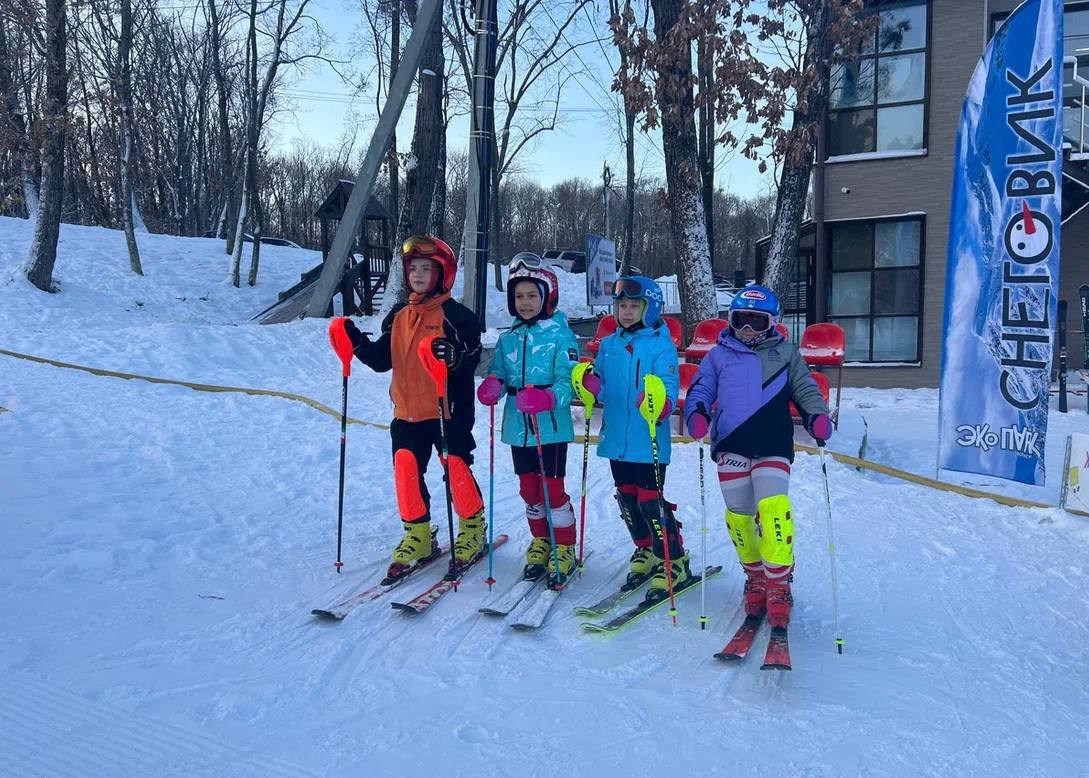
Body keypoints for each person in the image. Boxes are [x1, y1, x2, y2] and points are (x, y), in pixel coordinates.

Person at [683, 285, 832, 629]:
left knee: (774, 509)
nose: (748, 330)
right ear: (731, 321)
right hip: (732, 443)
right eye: (741, 321)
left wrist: (816, 415)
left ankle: (779, 584)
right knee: (740, 518)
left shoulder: (786, 353)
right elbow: (701, 388)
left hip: (772, 443)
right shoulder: (718, 355)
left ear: (772, 323)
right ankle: (757, 577)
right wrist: (698, 411)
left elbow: (805, 388)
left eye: (757, 322)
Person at [339, 235, 487, 580]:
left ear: (443, 274)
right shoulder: (398, 316)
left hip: (447, 412)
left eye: (426, 269)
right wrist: (355, 341)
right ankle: (418, 534)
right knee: (405, 469)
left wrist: (453, 358)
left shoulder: (458, 317)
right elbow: (381, 360)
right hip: (406, 412)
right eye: (413, 269)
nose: (418, 275)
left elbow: (470, 360)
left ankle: (472, 528)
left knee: (456, 467)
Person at [573, 276, 688, 602]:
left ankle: (673, 556)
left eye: (633, 306)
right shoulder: (608, 346)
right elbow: (604, 386)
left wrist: (662, 402)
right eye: (621, 305)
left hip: (647, 437)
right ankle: (645, 549)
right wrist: (592, 386)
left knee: (650, 501)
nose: (625, 311)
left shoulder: (662, 345)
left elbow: (668, 381)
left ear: (650, 309)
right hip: (616, 439)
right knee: (626, 498)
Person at [477, 253, 580, 586]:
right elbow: (499, 372)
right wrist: (495, 384)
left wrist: (549, 397)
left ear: (547, 296)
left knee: (552, 488)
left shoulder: (560, 335)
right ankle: (540, 539)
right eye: (518, 296)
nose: (525, 302)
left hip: (549, 426)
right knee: (528, 488)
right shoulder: (508, 337)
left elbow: (570, 380)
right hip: (518, 426)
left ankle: (564, 545)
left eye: (532, 295)